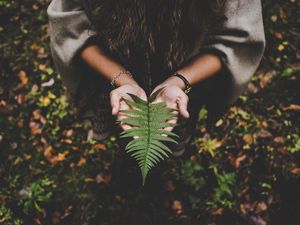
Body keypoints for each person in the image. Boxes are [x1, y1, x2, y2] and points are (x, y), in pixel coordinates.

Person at [47, 0, 265, 156]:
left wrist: (178, 81)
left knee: (172, 132)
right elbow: (69, 27)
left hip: (188, 77)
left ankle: (158, 158)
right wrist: (123, 80)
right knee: (122, 126)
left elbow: (236, 39)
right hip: (111, 70)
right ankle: (130, 156)